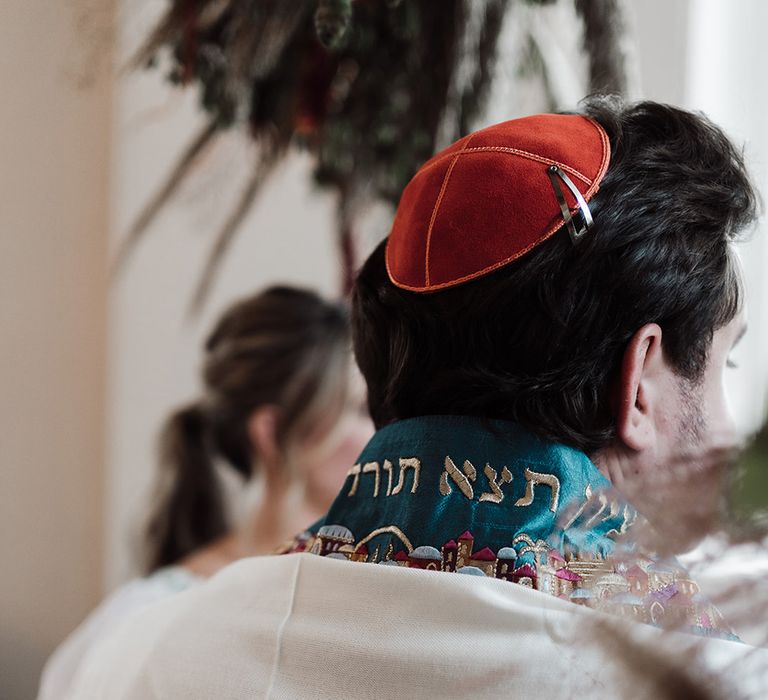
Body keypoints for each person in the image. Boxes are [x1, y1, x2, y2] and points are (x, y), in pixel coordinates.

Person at [69, 99, 766, 699]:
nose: (731, 434)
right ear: (639, 381)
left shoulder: (148, 653)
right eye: (723, 365)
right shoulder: (708, 678)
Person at [39, 285, 373, 700]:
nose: (385, 431)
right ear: (272, 432)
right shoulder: (147, 618)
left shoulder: (377, 597)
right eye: (361, 410)